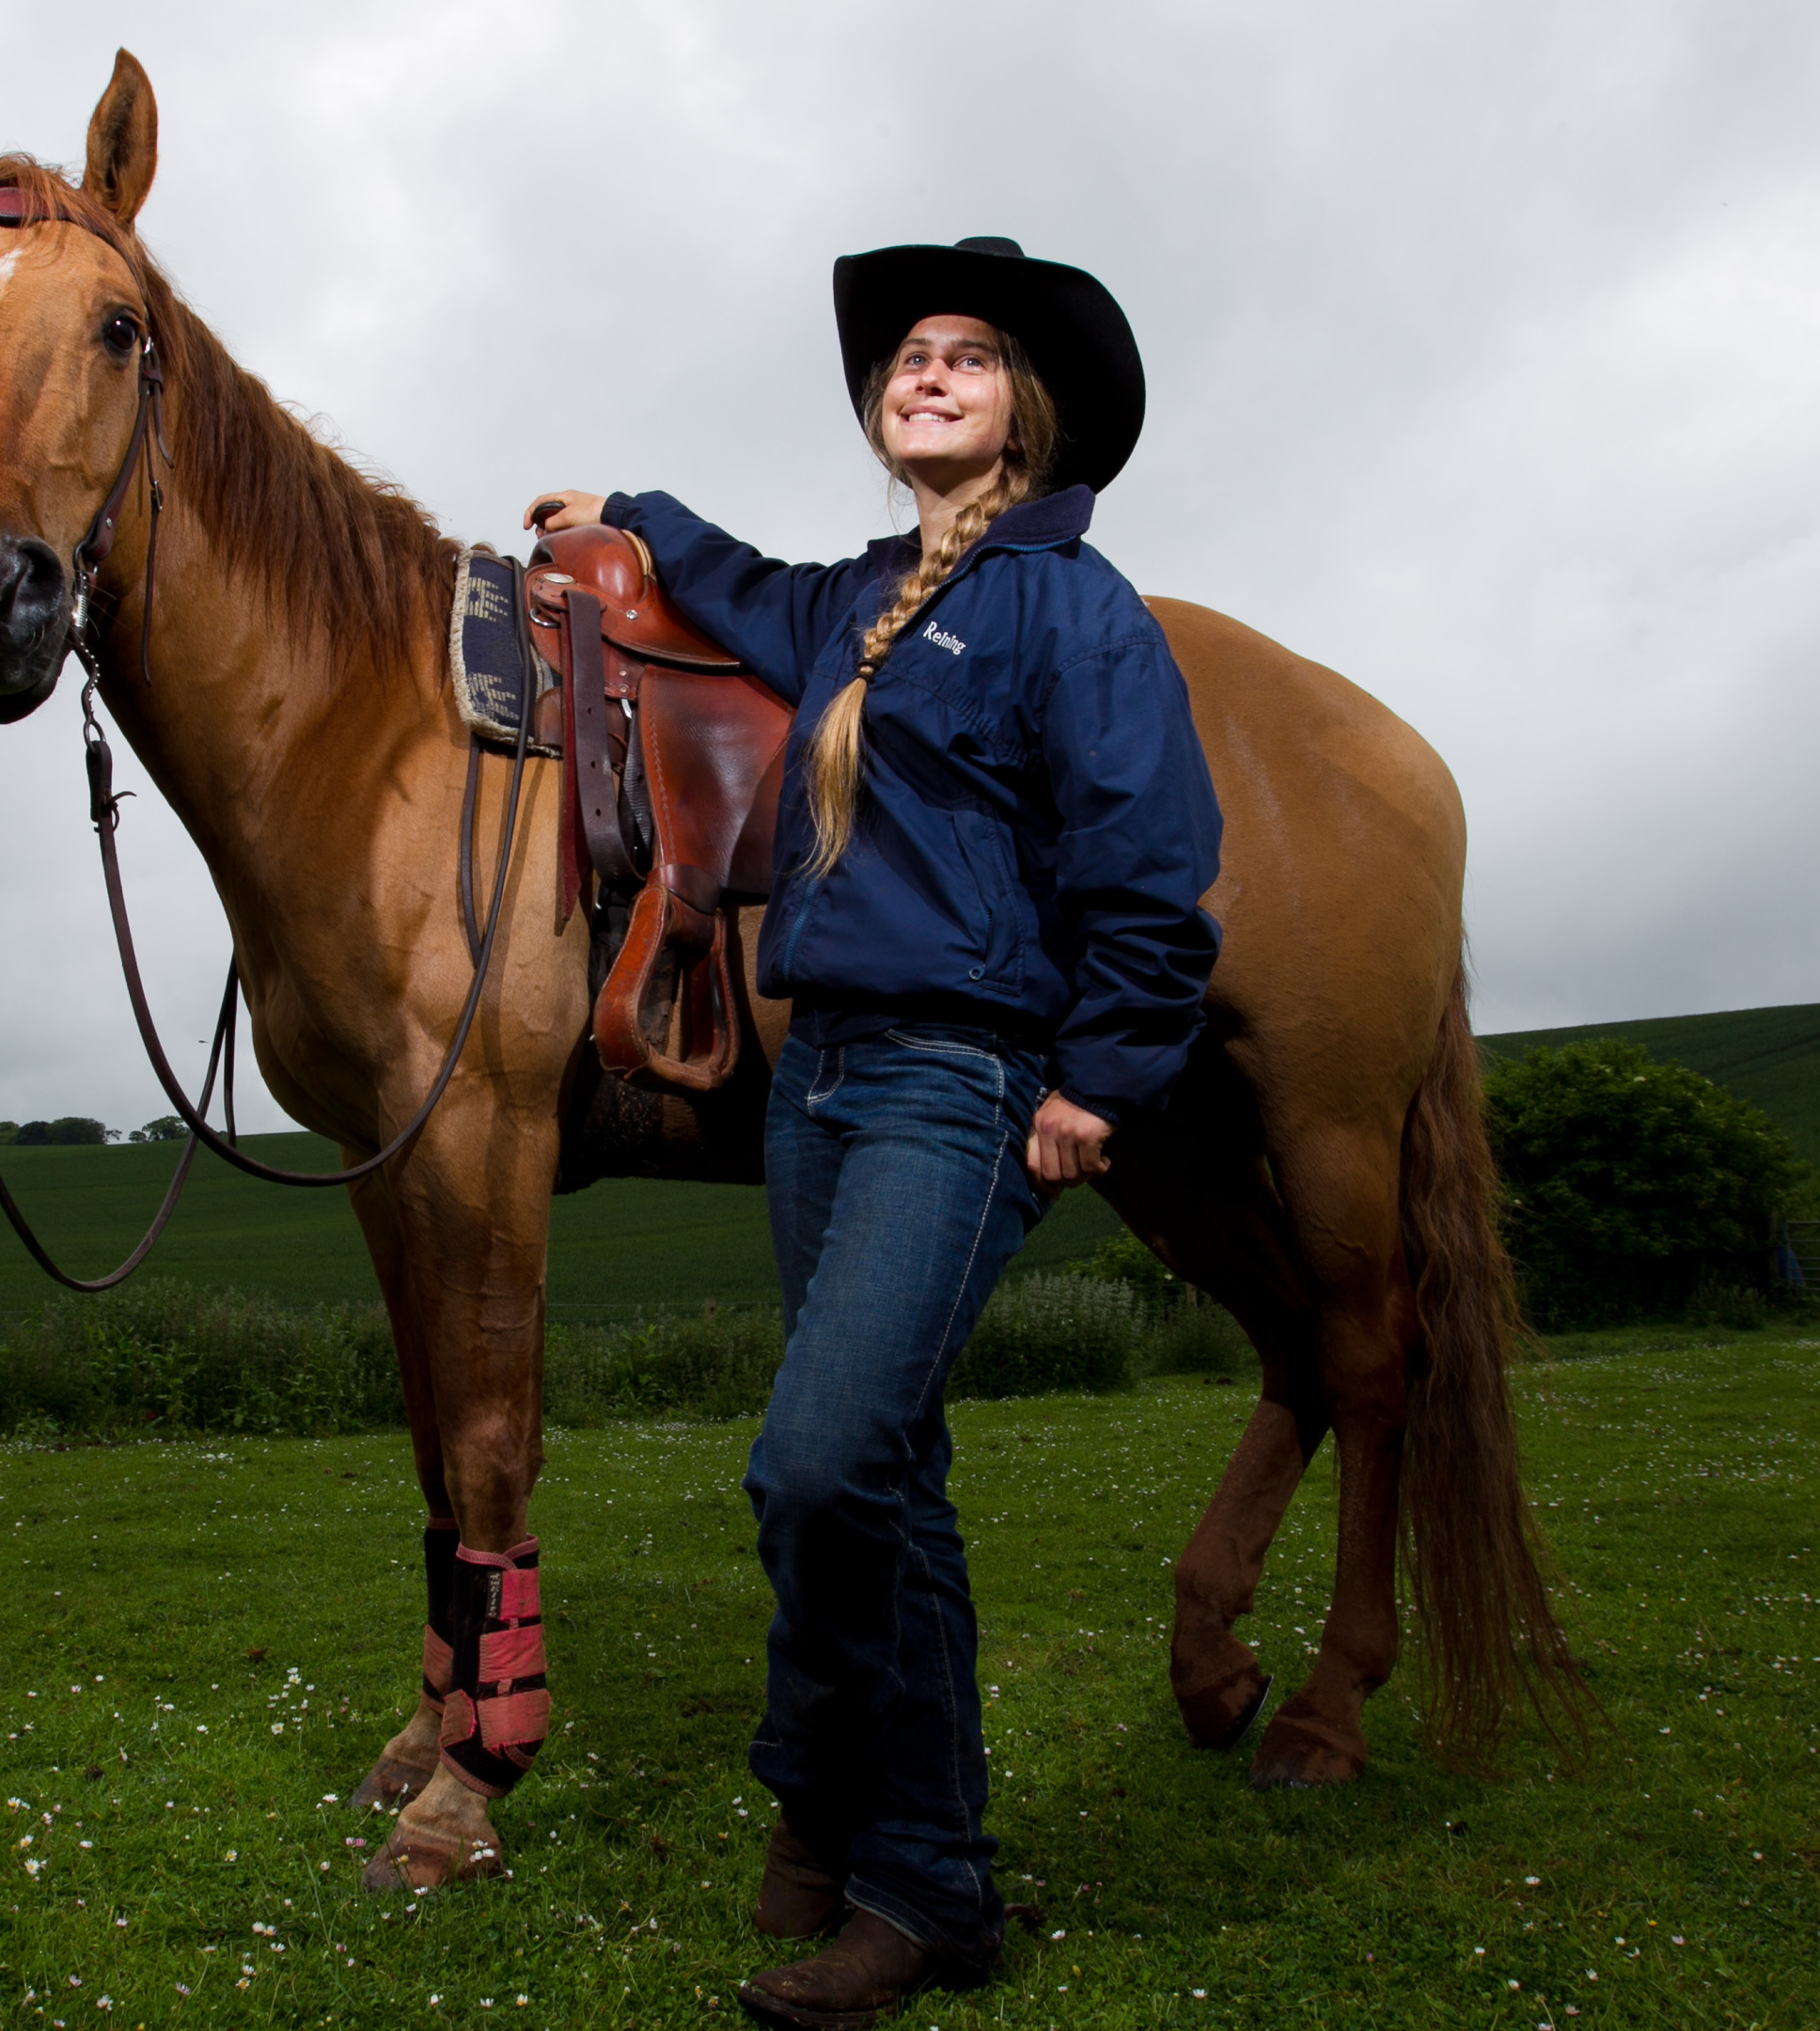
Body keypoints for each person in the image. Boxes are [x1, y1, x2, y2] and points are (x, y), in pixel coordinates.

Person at [527, 235, 1223, 2028]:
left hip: (960, 1079)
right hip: (819, 1082)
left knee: (817, 1463)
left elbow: (1151, 856)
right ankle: (925, 1883)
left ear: (1024, 413)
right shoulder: (848, 603)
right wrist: (634, 509)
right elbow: (735, 580)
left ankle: (825, 1789)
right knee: (890, 1485)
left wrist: (1101, 1078)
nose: (925, 373)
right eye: (906, 357)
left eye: (968, 359)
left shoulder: (1076, 607)